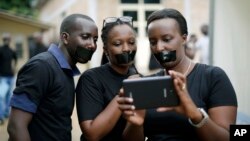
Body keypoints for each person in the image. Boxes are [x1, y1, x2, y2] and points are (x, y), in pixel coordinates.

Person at [117, 8, 237, 141]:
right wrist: (136, 124)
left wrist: (195, 115)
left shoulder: (213, 77)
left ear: (184, 38)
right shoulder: (146, 85)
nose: (159, 47)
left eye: (166, 39)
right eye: (153, 42)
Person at [7, 14, 98, 141]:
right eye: (85, 37)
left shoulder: (66, 70)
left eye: (95, 39)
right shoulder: (41, 67)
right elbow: (16, 127)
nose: (92, 45)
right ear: (65, 38)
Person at [75, 16, 138, 141]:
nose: (126, 48)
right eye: (117, 44)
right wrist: (126, 90)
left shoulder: (138, 78)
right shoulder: (91, 79)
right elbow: (92, 134)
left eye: (131, 42)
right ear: (106, 50)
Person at [0, 33, 17, 125]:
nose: (7, 40)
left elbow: (15, 60)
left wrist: (14, 68)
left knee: (8, 97)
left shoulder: (12, 50)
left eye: (8, 39)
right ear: (3, 39)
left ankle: (6, 114)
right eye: (5, 38)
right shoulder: (0, 50)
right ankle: (1, 116)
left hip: (10, 76)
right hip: (2, 77)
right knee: (1, 96)